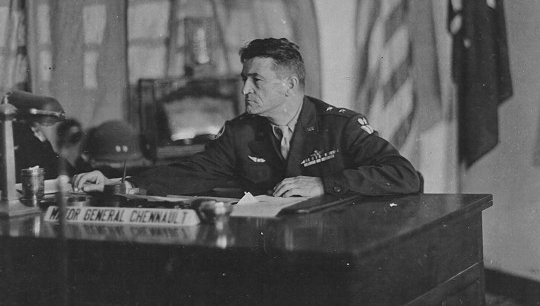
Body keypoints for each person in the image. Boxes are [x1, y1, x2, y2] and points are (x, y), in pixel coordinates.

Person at [73, 38, 421, 197]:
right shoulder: (241, 132)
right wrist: (117, 180)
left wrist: (323, 185)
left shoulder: (340, 125)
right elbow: (191, 173)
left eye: (256, 80)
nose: (244, 91)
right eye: (244, 80)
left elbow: (405, 176)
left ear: (289, 85)